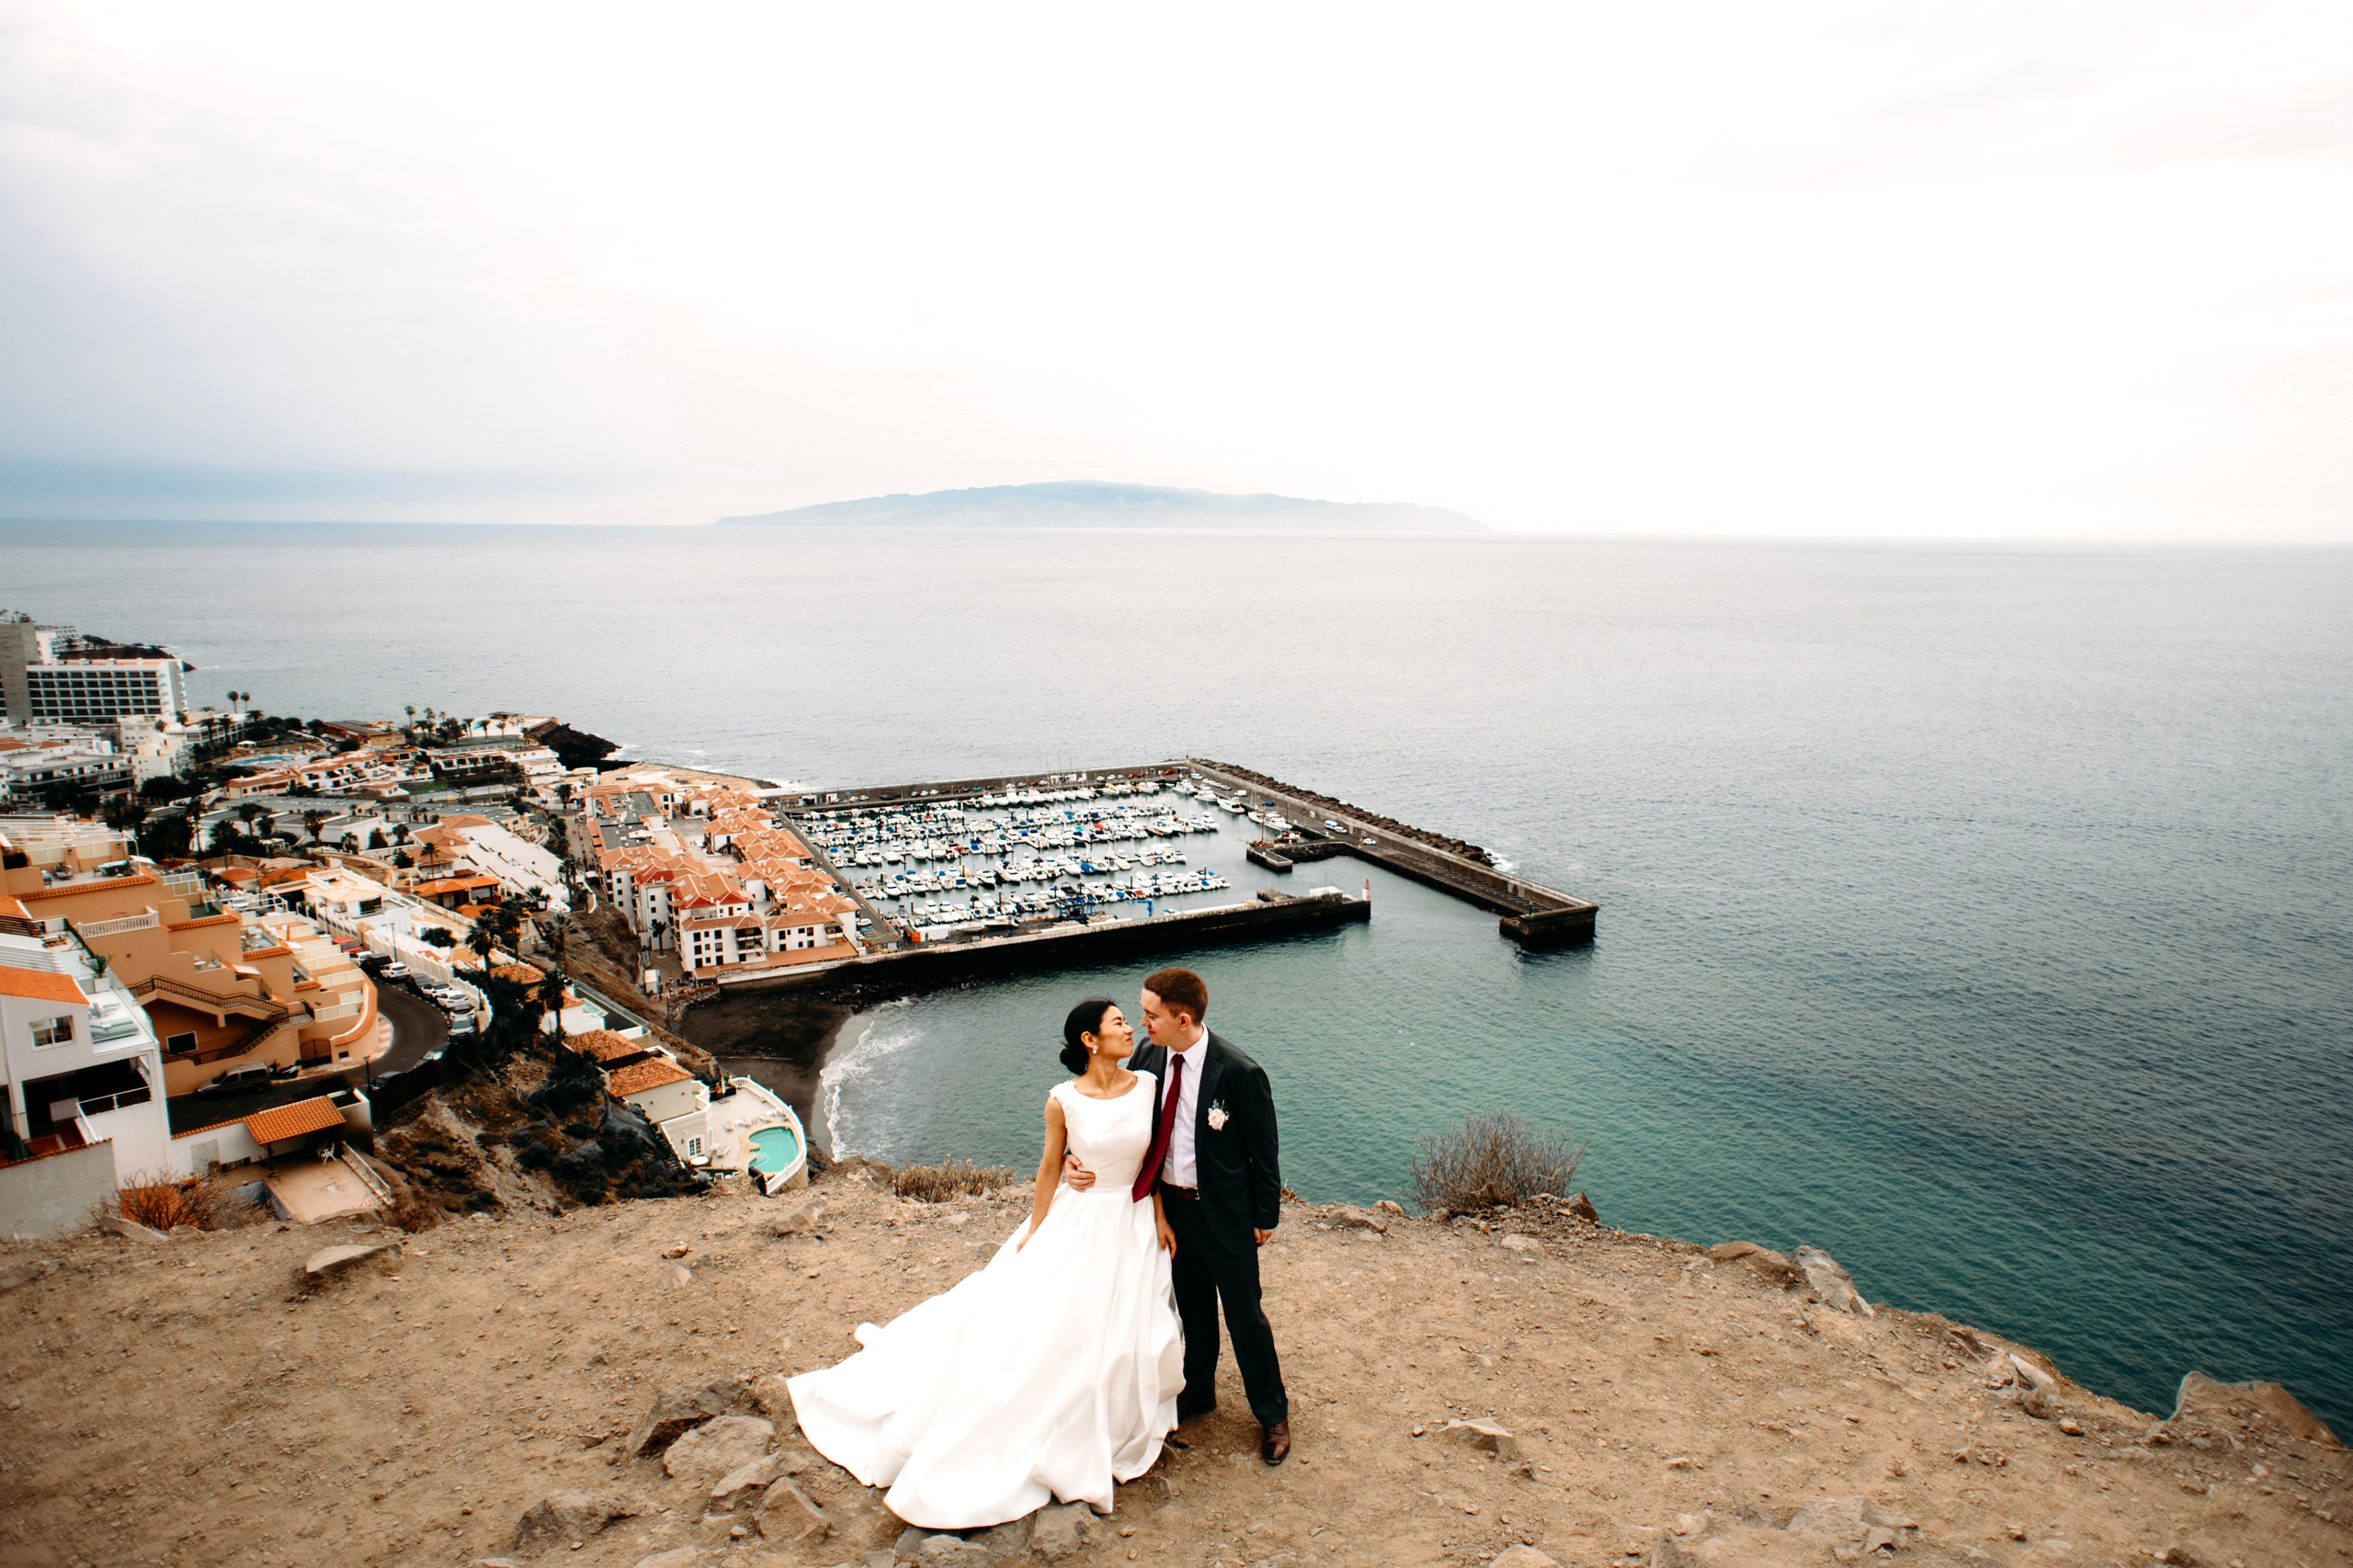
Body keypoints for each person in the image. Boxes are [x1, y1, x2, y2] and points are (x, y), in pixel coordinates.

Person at [786, 999, 1183, 1529]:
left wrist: (1159, 1214)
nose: (1129, 1028)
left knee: (1133, 1327)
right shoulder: (1062, 1100)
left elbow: (1153, 1159)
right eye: (1118, 1023)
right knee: (1053, 1330)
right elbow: (1048, 1167)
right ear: (1091, 1040)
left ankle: (1118, 1411)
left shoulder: (1148, 1088)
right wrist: (1038, 1230)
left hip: (1132, 1222)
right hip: (1081, 1219)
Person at [1066, 965, 1291, 1464]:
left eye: (1149, 1015)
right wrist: (1070, 1157)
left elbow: (1264, 1151)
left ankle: (1272, 1414)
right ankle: (1198, 1392)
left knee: (1244, 1315)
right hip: (1169, 1212)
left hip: (1226, 1215)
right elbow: (1099, 1108)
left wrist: (1264, 1216)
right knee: (1190, 1309)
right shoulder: (1148, 1056)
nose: (1140, 1023)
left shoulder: (1239, 1071)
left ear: (1182, 1019)